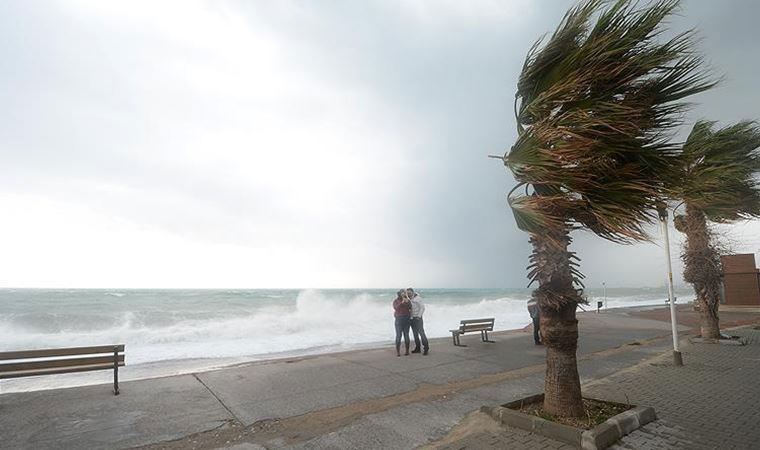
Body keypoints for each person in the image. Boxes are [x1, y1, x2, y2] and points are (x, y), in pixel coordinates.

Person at [407, 288, 429, 355]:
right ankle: (418, 348)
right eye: (408, 293)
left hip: (418, 318)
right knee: (415, 334)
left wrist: (419, 316)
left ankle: (426, 348)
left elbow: (422, 308)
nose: (409, 294)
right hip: (412, 319)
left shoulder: (418, 298)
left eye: (410, 293)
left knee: (421, 333)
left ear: (413, 292)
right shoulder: (409, 299)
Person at [392, 289, 412, 356]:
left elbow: (410, 307)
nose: (404, 294)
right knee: (399, 335)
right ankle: (398, 352)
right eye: (402, 293)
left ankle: (407, 351)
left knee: (406, 335)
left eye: (404, 293)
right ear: (399, 294)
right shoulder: (396, 301)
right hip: (399, 319)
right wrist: (402, 302)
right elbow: (396, 308)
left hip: (406, 319)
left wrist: (407, 302)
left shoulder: (407, 300)